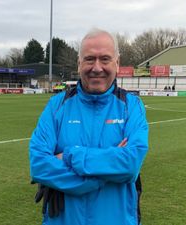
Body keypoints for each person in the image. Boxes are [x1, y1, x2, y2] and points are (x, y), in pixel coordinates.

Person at [29, 28, 149, 225]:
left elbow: (129, 164)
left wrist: (69, 155)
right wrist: (104, 176)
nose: (97, 67)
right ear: (79, 64)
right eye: (89, 59)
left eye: (105, 59)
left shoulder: (131, 106)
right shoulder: (56, 105)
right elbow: (39, 166)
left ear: (117, 64)